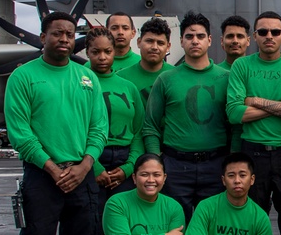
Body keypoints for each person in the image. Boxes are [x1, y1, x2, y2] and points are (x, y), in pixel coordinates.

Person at [4, 11, 109, 235]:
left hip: (81, 178)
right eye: (57, 33)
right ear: (43, 36)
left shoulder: (87, 78)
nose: (64, 39)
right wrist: (51, 167)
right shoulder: (23, 77)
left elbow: (98, 128)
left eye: (69, 34)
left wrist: (85, 165)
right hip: (42, 178)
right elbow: (20, 133)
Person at [226, 11, 281, 235]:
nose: (269, 36)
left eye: (275, 32)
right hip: (252, 154)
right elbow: (234, 114)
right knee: (250, 225)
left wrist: (255, 101)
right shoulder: (242, 65)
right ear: (254, 37)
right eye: (263, 32)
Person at [142, 11, 236, 221]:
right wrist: (157, 162)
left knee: (212, 229)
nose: (195, 41)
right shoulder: (165, 79)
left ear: (210, 40)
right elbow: (150, 126)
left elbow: (236, 126)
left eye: (200, 36)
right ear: (181, 41)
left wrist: (232, 161)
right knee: (175, 228)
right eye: (189, 36)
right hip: (175, 166)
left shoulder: (227, 78)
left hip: (216, 165)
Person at [85, 27, 144, 203]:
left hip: (124, 160)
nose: (102, 57)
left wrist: (129, 168)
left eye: (108, 51)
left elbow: (138, 131)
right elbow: (74, 130)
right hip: (91, 160)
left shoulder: (129, 87)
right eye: (96, 52)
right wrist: (94, 167)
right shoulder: (79, 85)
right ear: (87, 52)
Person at [118, 17, 174, 105]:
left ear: (168, 47)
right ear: (139, 42)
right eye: (149, 41)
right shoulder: (121, 78)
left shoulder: (176, 76)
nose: (154, 47)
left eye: (160, 43)